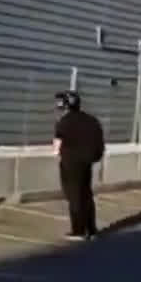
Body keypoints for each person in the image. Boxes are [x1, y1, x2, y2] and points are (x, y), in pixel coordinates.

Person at [53, 90, 104, 241]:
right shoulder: (91, 120)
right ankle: (91, 229)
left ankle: (78, 230)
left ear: (66, 105)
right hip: (87, 162)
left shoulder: (64, 121)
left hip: (71, 162)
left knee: (74, 195)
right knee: (86, 193)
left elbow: (56, 146)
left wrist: (59, 152)